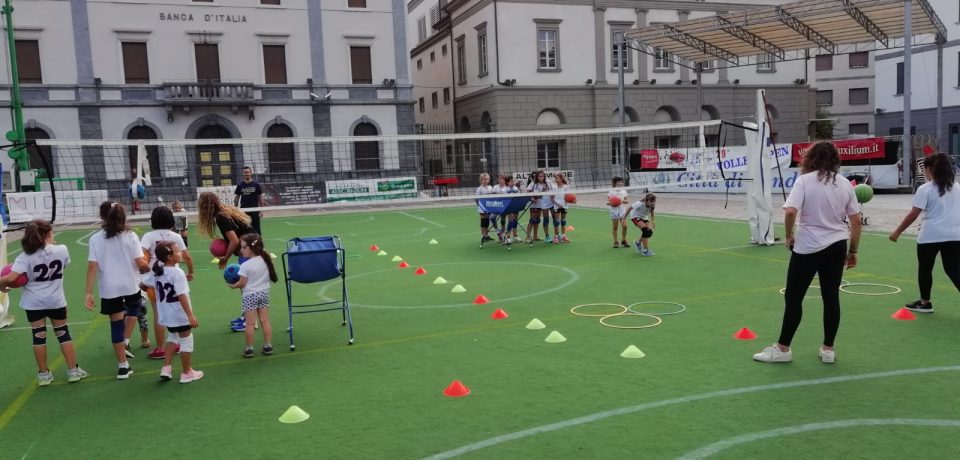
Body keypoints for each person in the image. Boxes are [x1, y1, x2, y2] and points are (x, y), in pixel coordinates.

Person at [753, 141, 861, 364]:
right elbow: (856, 221)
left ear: (810, 159)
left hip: (808, 246)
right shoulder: (844, 183)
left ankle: (783, 349)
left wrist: (789, 235)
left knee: (794, 297)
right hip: (837, 244)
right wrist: (853, 251)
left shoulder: (804, 181)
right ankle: (828, 349)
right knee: (831, 297)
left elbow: (791, 211)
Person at [0, 220, 88, 386]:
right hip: (56, 300)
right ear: (48, 234)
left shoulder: (24, 257)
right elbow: (62, 267)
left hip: (34, 303)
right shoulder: (62, 250)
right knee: (63, 333)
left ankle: (43, 375)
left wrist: (3, 284)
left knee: (38, 336)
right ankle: (73, 370)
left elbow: (11, 278)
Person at [85, 201, 150, 379]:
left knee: (116, 324)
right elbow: (140, 263)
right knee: (135, 307)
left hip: (110, 289)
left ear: (102, 217)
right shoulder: (131, 236)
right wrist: (150, 267)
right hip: (130, 285)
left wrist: (88, 293)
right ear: (123, 217)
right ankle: (126, 340)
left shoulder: (95, 239)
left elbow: (92, 266)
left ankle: (123, 366)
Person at [889, 153, 960, 313]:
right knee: (953, 269)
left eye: (925, 169)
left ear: (930, 169)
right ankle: (924, 303)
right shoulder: (956, 187)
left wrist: (897, 232)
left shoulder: (925, 189)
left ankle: (925, 303)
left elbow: (913, 215)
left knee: (925, 268)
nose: (924, 172)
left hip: (930, 236)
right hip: (955, 235)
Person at [141, 241, 203, 383]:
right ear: (170, 257)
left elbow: (142, 285)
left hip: (166, 314)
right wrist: (190, 315)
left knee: (172, 337)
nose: (180, 253)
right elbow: (181, 296)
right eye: (177, 251)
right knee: (186, 340)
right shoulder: (177, 272)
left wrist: (157, 291)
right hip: (179, 314)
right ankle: (187, 372)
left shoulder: (157, 272)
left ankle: (166, 368)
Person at [141, 205, 195, 359]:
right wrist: (190, 273)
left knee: (159, 314)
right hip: (173, 281)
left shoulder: (148, 236)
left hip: (155, 281)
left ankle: (160, 348)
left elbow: (141, 256)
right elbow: (187, 257)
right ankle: (176, 342)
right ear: (172, 220)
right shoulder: (176, 236)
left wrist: (145, 270)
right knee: (176, 310)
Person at [197, 192, 255, 331]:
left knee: (246, 286)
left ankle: (250, 320)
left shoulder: (221, 217)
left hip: (249, 248)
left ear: (205, 206)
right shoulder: (225, 211)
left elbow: (234, 240)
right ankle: (247, 316)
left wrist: (225, 258)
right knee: (246, 285)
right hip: (252, 244)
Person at [227, 234, 278, 358]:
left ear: (253, 248)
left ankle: (249, 349)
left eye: (244, 247)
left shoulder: (245, 266)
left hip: (250, 295)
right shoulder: (266, 260)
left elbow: (242, 283)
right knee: (265, 321)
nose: (241, 250)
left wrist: (232, 286)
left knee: (250, 324)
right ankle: (268, 346)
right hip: (264, 293)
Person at [235, 166, 265, 236]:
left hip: (255, 210)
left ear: (251, 173)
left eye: (248, 172)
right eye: (245, 172)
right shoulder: (240, 185)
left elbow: (260, 198)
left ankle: (259, 245)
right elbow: (237, 198)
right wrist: (235, 209)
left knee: (256, 231)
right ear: (243, 174)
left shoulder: (256, 185)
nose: (246, 174)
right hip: (244, 211)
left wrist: (262, 210)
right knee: (245, 230)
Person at [525, 170, 553, 243]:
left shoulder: (547, 183)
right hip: (534, 205)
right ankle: (527, 237)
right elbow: (527, 192)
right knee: (532, 220)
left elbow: (552, 191)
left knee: (537, 220)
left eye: (542, 176)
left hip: (542, 204)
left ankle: (535, 236)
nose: (541, 178)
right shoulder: (533, 183)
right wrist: (532, 198)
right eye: (539, 176)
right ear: (537, 177)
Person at [608, 177, 629, 248]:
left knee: (625, 226)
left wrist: (621, 201)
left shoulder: (624, 191)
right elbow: (608, 202)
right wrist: (614, 203)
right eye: (618, 182)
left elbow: (627, 201)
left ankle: (623, 240)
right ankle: (615, 241)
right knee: (615, 227)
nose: (620, 183)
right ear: (615, 183)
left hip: (622, 210)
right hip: (614, 211)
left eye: (621, 182)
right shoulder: (611, 191)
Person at [550, 173, 571, 243]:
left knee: (563, 221)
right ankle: (555, 237)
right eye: (555, 178)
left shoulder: (566, 187)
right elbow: (552, 199)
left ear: (561, 179)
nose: (556, 179)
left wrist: (573, 200)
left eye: (557, 178)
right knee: (556, 222)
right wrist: (558, 204)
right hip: (557, 206)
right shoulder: (554, 187)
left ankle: (563, 237)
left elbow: (569, 197)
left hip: (564, 206)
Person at [475, 173, 496, 243]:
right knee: (483, 221)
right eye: (484, 179)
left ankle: (486, 235)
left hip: (489, 207)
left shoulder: (491, 188)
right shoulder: (479, 189)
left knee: (487, 222)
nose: (485, 180)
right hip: (482, 207)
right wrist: (479, 205)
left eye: (487, 179)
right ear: (481, 180)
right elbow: (476, 199)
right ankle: (483, 236)